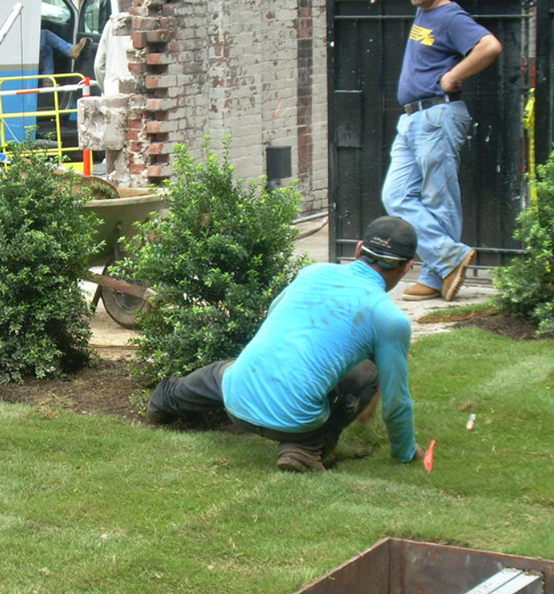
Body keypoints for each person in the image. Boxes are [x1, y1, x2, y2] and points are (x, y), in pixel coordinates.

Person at [147, 216, 425, 472]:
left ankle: (165, 399)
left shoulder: (314, 272)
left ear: (359, 249)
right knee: (369, 374)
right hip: (296, 423)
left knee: (223, 373)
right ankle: (304, 447)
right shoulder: (390, 320)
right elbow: (397, 401)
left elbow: (273, 313)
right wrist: (405, 451)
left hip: (236, 398)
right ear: (406, 268)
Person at [373, 0, 502, 301]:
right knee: (396, 195)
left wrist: (452, 76)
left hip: (436, 115)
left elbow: (490, 46)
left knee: (438, 199)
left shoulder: (450, 16)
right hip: (412, 118)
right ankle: (447, 259)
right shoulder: (425, 9)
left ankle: (436, 274)